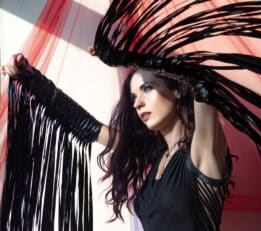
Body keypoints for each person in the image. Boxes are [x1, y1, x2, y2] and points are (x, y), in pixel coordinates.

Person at [1, 52, 232, 230]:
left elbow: (202, 82)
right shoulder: (157, 154)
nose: (137, 103)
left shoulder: (203, 151)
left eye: (147, 88)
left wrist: (126, 55)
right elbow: (88, 126)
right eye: (133, 97)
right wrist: (32, 78)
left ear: (178, 90)